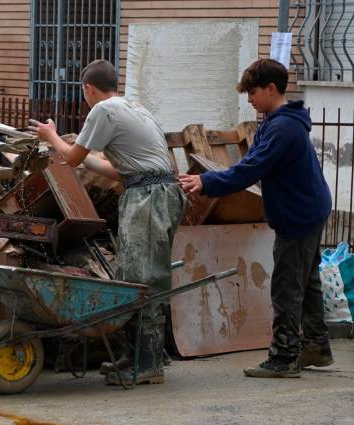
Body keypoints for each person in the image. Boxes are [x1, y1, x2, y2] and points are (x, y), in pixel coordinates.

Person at [29, 60, 185, 385]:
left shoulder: (103, 110)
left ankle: (148, 364)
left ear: (88, 89)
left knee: (142, 278)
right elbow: (118, 172)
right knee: (133, 274)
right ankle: (140, 355)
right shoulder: (133, 107)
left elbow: (69, 159)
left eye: (83, 92)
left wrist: (51, 135)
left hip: (149, 196)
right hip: (155, 191)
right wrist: (83, 155)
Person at [180, 59, 333, 378]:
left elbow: (251, 170)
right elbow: (249, 163)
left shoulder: (283, 127)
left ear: (271, 89)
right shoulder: (279, 122)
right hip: (308, 209)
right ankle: (316, 346)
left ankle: (285, 357)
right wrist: (213, 180)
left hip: (299, 214)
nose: (249, 98)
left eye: (252, 92)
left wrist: (207, 183)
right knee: (306, 282)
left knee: (287, 286)